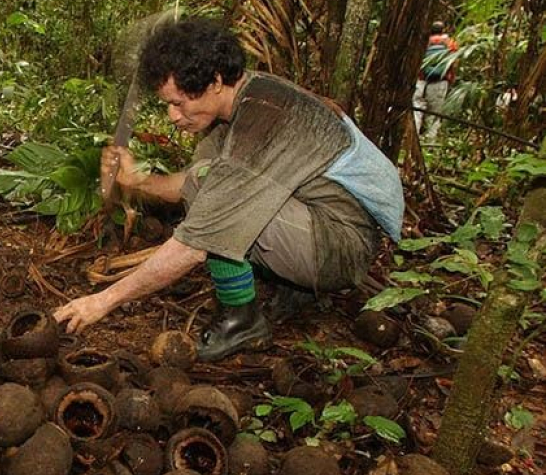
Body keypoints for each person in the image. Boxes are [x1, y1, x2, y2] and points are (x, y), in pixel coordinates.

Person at [53, 18, 404, 362]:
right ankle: (294, 290)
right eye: (167, 105)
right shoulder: (241, 103)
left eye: (179, 103)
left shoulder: (264, 118)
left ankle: (242, 322)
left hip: (344, 245)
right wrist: (138, 181)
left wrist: (102, 301)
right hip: (323, 225)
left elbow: (193, 243)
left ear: (215, 82)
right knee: (212, 184)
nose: (173, 117)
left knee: (218, 198)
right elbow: (186, 183)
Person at [413, 20, 458, 142]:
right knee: (434, 114)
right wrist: (452, 78)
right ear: (443, 30)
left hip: (421, 80)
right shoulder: (449, 43)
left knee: (416, 110)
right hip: (440, 81)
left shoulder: (422, 42)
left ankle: (413, 139)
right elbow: (453, 63)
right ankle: (429, 143)